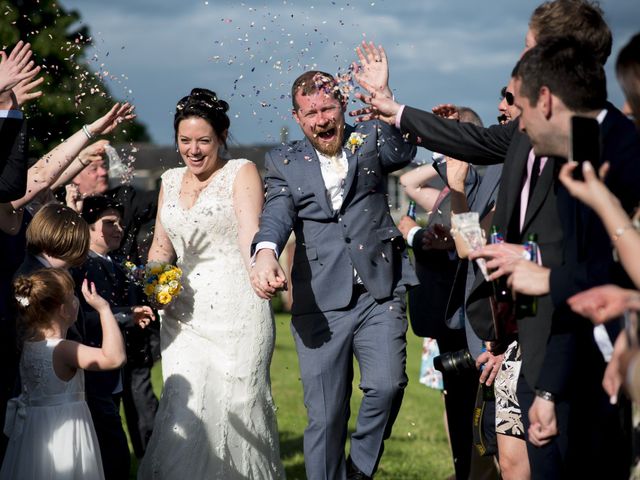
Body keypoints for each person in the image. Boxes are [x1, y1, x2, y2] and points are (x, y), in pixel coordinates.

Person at [250, 59, 417, 478]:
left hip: (380, 292)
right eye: (311, 113)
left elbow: (406, 150)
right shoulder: (282, 161)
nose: (322, 120)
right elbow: (276, 213)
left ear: (342, 106)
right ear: (297, 117)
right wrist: (266, 251)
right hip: (321, 302)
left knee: (387, 385)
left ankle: (359, 470)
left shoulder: (372, 136)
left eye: (328, 109)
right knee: (326, 417)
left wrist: (387, 99)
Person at [137, 88, 284, 479]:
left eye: (204, 140)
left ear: (222, 136)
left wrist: (260, 264)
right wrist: (155, 285)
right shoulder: (168, 179)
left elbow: (249, 230)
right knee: (187, 405)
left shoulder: (241, 172)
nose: (194, 150)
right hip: (184, 315)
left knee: (239, 404)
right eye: (185, 141)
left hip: (239, 307)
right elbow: (160, 248)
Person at [0, 268, 126, 480]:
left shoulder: (29, 344)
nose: (77, 299)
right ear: (64, 310)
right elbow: (115, 358)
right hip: (65, 436)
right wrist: (104, 309)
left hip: (34, 432)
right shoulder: (64, 350)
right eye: (73, 295)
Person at [73, 195, 158, 462]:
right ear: (88, 226)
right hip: (93, 369)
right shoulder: (82, 265)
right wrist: (126, 316)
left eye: (120, 223)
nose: (118, 228)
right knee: (111, 449)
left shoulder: (117, 263)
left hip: (117, 369)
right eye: (109, 222)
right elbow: (83, 315)